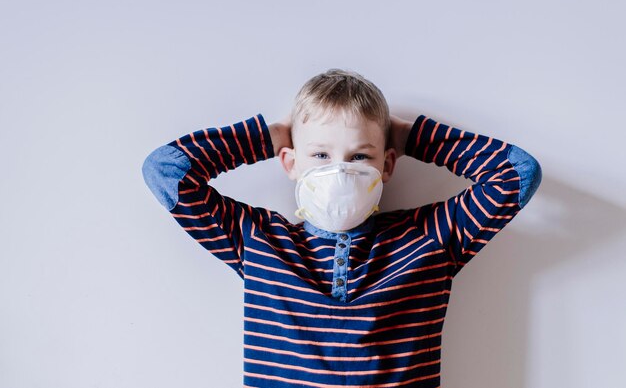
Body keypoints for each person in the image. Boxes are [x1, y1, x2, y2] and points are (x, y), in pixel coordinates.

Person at [141, 68, 542, 387]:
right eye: (320, 153)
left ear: (387, 165)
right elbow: (167, 171)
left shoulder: (430, 237)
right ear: (290, 163)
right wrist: (269, 137)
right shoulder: (259, 240)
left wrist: (408, 136)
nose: (339, 169)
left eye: (359, 155)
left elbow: (517, 174)